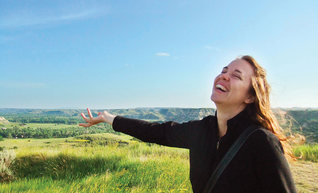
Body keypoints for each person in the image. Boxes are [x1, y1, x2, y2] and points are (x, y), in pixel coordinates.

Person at [80, 55, 297, 193]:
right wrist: (108, 118)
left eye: (236, 76)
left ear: (250, 97)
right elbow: (156, 132)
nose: (224, 76)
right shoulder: (203, 130)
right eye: (223, 71)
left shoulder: (261, 141)